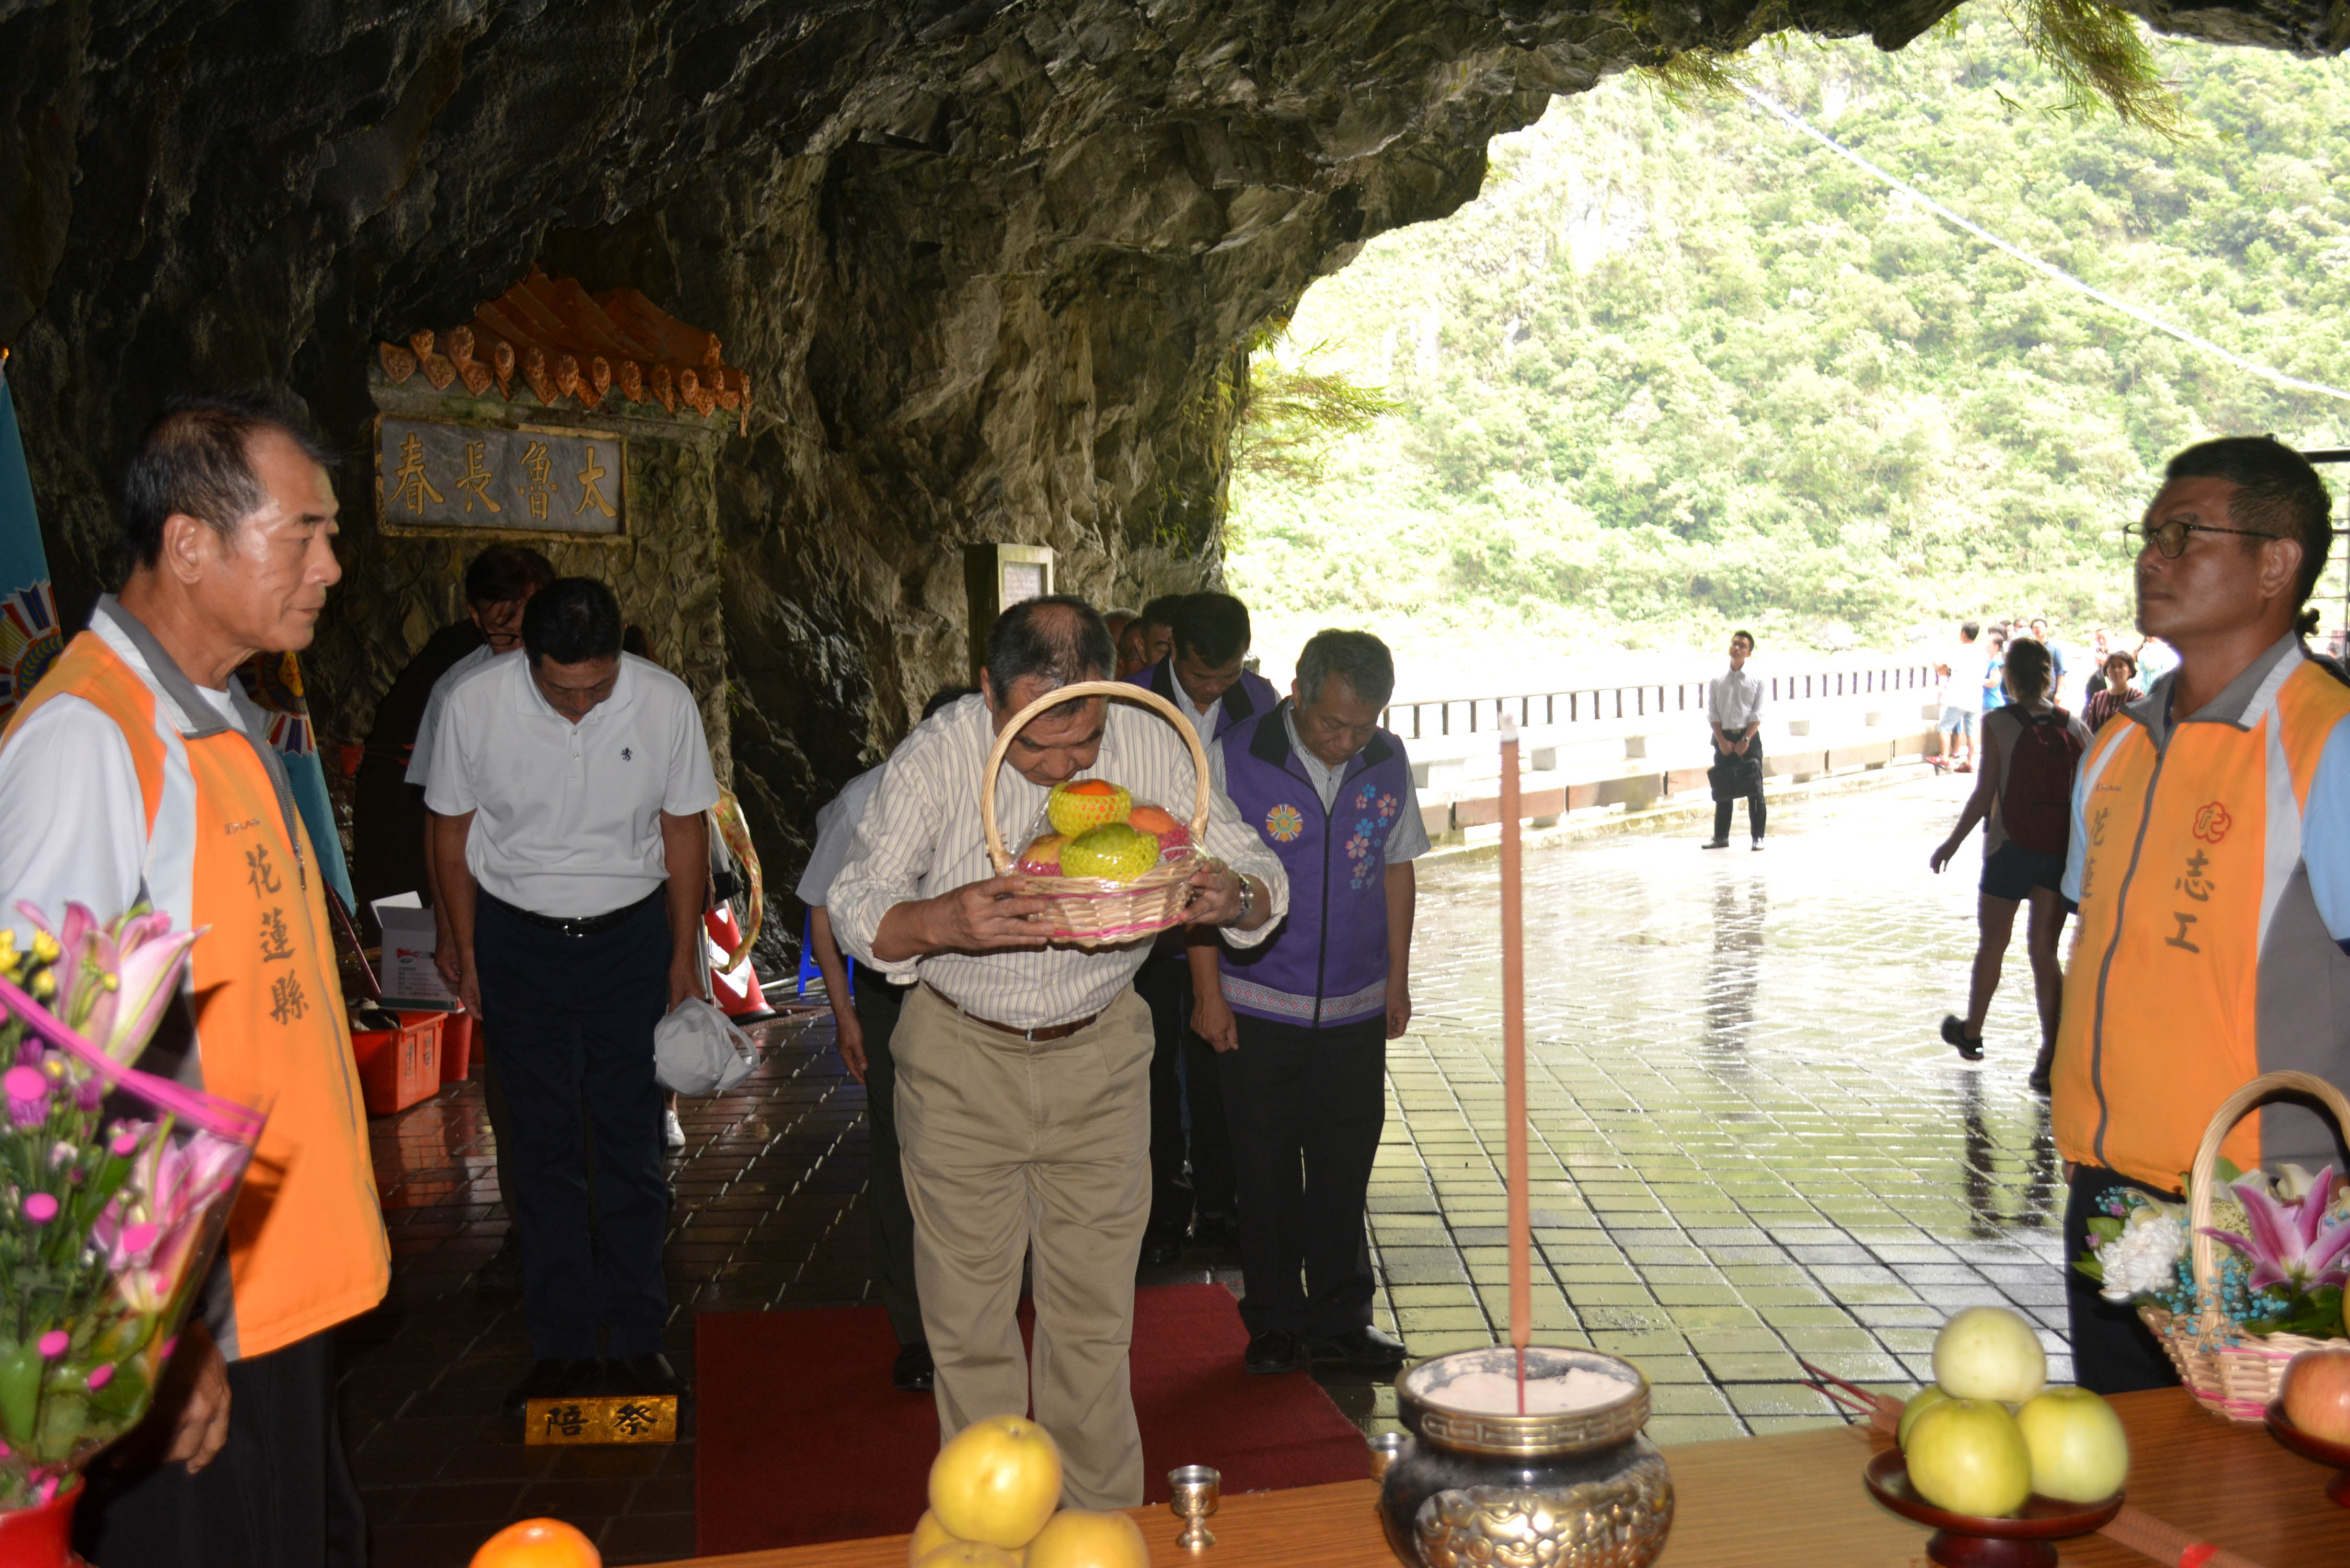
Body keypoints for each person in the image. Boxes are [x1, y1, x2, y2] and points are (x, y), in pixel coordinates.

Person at [0, 390, 389, 1566]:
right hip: (192, 1315)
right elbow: (38, 1066)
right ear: (189, 543)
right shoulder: (88, 741)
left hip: (273, 1295)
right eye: (304, 532)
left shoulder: (213, 719)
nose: (332, 563)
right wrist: (149, 1333)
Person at [827, 596, 1286, 1509]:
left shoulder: (1150, 744)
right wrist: (939, 921)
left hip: (1102, 1057)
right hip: (961, 1058)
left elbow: (1258, 874)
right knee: (967, 1323)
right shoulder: (944, 752)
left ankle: (1099, 1526)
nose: (1064, 772)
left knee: (1093, 1321)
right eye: (1039, 746)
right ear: (992, 692)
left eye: (1083, 744)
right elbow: (856, 895)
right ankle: (992, 1523)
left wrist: (1229, 899)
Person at [2052, 436, 2350, 1394]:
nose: (2152, 556)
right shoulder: (2116, 748)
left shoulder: (2327, 744)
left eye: (2184, 534)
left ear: (2275, 563)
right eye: (2147, 535)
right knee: (2123, 1475)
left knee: (2262, 1511)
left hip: (2269, 1210)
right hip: (2110, 1196)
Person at [424, 577, 720, 1415]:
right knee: (543, 1148)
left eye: (599, 686)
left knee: (630, 1143)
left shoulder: (664, 702)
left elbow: (683, 827)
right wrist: (462, 940)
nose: (582, 705)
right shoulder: (473, 702)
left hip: (629, 938)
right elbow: (448, 830)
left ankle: (635, 1336)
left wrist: (682, 953)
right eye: (563, 689)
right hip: (519, 941)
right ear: (528, 659)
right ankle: (557, 1342)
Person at [1189, 629, 1424, 1377]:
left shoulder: (1385, 761)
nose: (1346, 740)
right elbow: (1198, 878)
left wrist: (1398, 979)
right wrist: (1207, 994)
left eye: (1364, 724)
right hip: (1257, 1003)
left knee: (1343, 1164)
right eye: (1332, 724)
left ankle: (1342, 1319)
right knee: (1262, 1170)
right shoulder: (1236, 755)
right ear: (1298, 691)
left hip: (1354, 1006)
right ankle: (1275, 1322)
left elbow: (1396, 870)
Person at [797, 685, 975, 1395]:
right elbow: (820, 910)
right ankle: (918, 1332)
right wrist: (844, 1015)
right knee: (904, 1153)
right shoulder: (869, 795)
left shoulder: (1010, 788)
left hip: (982, 991)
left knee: (982, 1154)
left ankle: (981, 1316)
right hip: (891, 994)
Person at [402, 544, 555, 1290]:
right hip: (499, 913)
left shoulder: (592, 679)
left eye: (518, 613)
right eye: (490, 616)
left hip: (594, 913)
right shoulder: (457, 695)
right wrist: (446, 930)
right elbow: (442, 824)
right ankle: (530, 1231)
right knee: (515, 1081)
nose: (503, 627)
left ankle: (610, 1222)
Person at [1128, 591, 1281, 1263]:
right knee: (1153, 1072)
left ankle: (1222, 1208)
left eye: (1227, 676)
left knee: (1223, 1064)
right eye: (1200, 676)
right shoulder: (1130, 702)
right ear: (1169, 650)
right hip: (1151, 932)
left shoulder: (1262, 702)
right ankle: (1161, 1212)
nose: (1216, 690)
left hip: (1230, 915)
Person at [1928, 639, 2088, 1086]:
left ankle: (1973, 1033)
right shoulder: (2073, 726)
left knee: (1993, 945)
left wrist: (1952, 844)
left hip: (2008, 848)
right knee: (2044, 954)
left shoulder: (1998, 721)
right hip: (2056, 853)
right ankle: (2050, 1055)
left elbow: (1984, 795)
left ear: (2011, 677)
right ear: (2048, 677)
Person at [1702, 629, 1766, 850]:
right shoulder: (1717, 678)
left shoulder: (1757, 679)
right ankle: (1721, 837)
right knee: (1723, 788)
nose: (1737, 648)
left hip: (1749, 737)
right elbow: (1713, 713)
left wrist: (1746, 739)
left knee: (1755, 790)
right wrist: (1721, 740)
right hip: (1724, 738)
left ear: (1749, 653)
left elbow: (1759, 713)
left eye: (1742, 646)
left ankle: (1758, 837)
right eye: (1735, 644)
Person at [1936, 621, 1986, 771]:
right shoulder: (1981, 653)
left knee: (1944, 727)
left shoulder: (1960, 651)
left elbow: (1945, 668)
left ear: (1964, 633)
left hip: (1959, 697)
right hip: (1976, 697)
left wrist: (1936, 664)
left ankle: (1944, 757)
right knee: (1971, 731)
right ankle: (1970, 761)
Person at [2081, 651, 2140, 733]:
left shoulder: (2136, 696)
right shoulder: (2098, 697)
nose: (2116, 670)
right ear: (2107, 671)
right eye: (2112, 667)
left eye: (2121, 666)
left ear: (2130, 671)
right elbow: (2090, 728)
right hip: (2100, 744)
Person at [2029, 617, 2068, 705]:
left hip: (2050, 691)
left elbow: (2061, 671)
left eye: (2040, 627)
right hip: (2032, 691)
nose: (2038, 630)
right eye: (2035, 628)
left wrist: (2059, 693)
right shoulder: (2029, 649)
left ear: (2046, 629)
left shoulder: (2054, 649)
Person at [1980, 629, 2008, 714]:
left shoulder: (1997, 662)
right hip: (1986, 703)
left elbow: (1993, 683)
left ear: (1996, 647)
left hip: (1992, 704)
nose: (1986, 648)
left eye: (1988, 646)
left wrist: (1975, 679)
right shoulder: (1989, 660)